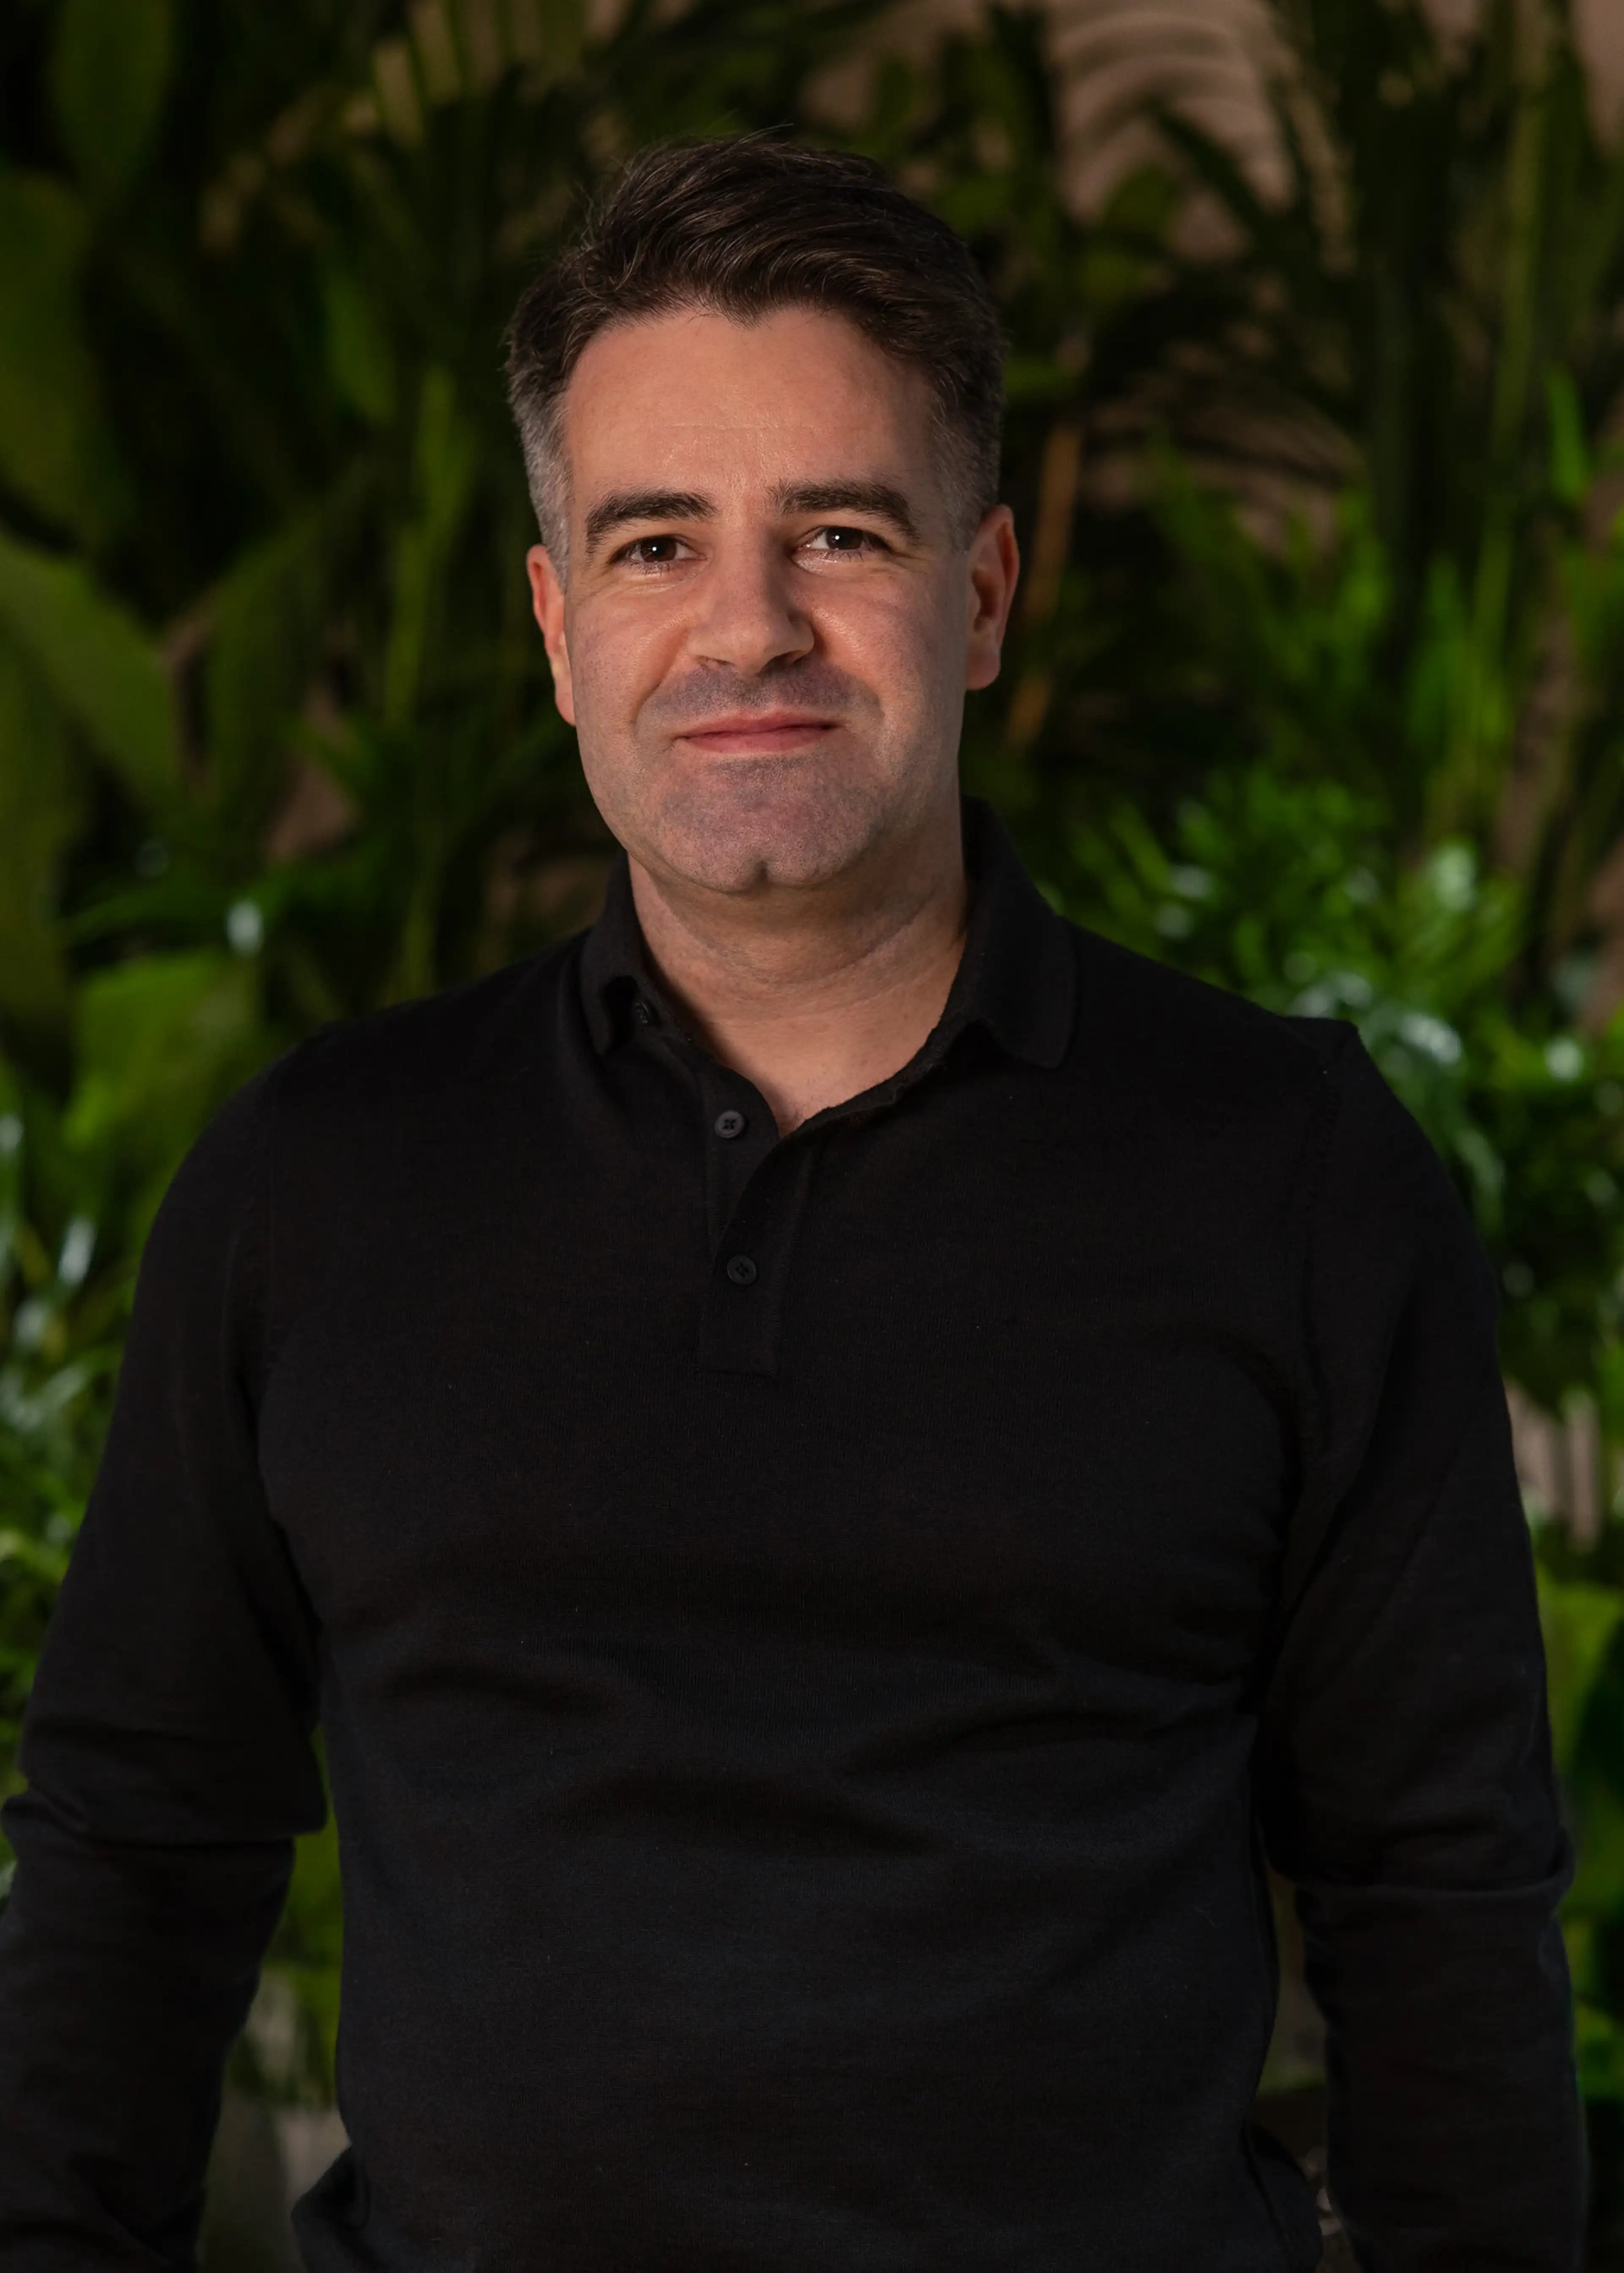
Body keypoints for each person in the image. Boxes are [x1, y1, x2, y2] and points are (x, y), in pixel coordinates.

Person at [0, 135, 1582, 2273]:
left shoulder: (1292, 1177)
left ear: (986, 591)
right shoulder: (321, 1176)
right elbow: (131, 1846)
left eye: (837, 531)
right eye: (656, 544)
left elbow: (1441, 1892)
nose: (747, 625)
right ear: (561, 628)